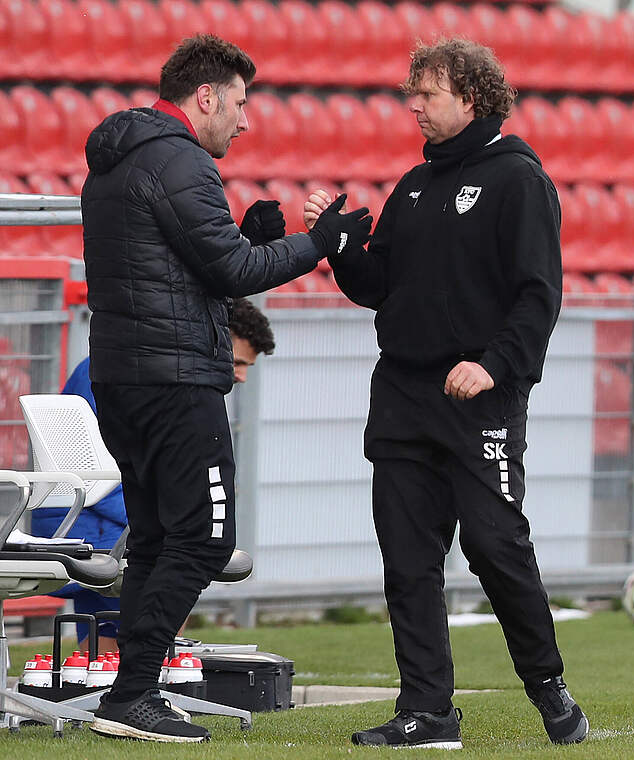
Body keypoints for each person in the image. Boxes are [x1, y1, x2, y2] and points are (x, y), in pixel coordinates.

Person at [80, 34, 371, 743]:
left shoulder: (120, 160)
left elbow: (185, 269)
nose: (245, 122)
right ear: (204, 96)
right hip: (175, 381)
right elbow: (236, 273)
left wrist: (244, 234)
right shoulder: (178, 158)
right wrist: (320, 243)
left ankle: (130, 695)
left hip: (124, 376)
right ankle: (133, 693)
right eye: (239, 104)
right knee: (207, 540)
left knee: (155, 538)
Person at [302, 38, 585, 750]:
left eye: (426, 93)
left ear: (471, 97)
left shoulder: (519, 179)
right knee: (407, 560)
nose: (413, 105)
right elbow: (379, 287)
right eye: (413, 93)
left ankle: (548, 685)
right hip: (402, 395)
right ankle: (427, 711)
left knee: (495, 546)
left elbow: (538, 295)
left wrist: (492, 366)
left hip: (478, 397)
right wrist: (336, 246)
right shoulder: (415, 185)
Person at [29, 298, 276, 656]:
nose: (242, 375)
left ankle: (119, 682)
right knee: (186, 558)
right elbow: (96, 474)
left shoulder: (151, 372)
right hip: (84, 518)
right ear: (215, 339)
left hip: (98, 516)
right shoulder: (127, 375)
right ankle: (139, 681)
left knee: (183, 550)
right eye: (238, 362)